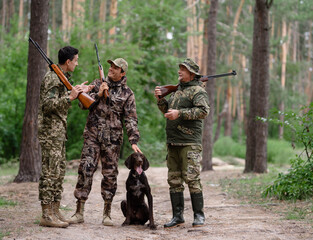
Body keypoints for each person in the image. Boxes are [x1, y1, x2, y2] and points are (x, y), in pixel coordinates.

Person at [68, 58, 142, 226]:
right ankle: (79, 212)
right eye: (111, 66)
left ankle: (107, 213)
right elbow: (82, 104)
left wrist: (134, 140)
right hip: (92, 135)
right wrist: (98, 94)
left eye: (116, 68)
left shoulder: (127, 93)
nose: (111, 69)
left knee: (110, 175)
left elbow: (131, 119)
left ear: (122, 72)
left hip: (113, 140)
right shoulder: (97, 83)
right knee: (85, 169)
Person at [38, 46, 94, 228]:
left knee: (59, 171)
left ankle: (55, 210)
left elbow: (61, 98)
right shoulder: (52, 78)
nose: (77, 64)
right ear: (68, 61)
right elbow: (47, 105)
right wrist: (70, 97)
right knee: (50, 173)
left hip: (58, 132)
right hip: (50, 133)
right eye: (76, 60)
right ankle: (46, 214)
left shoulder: (61, 78)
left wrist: (78, 90)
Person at [154, 58, 210, 228]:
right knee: (174, 180)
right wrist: (160, 100)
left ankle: (199, 216)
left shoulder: (198, 91)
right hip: (173, 142)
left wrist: (180, 113)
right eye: (179, 68)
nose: (179, 71)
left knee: (192, 179)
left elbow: (203, 111)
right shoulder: (177, 91)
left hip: (189, 142)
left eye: (183, 69)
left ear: (192, 73)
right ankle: (177, 216)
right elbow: (167, 111)